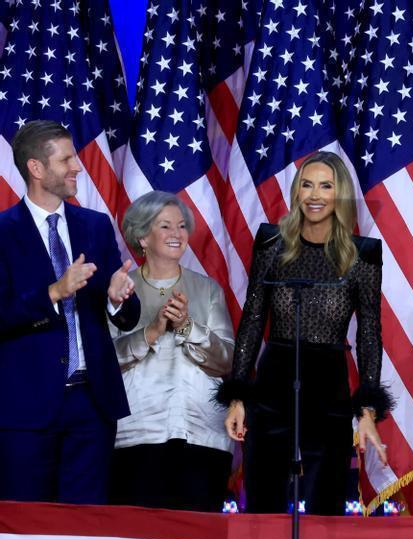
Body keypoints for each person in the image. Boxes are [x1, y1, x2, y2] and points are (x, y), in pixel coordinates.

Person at [216, 151, 391, 516]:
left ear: (339, 194)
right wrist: (237, 397)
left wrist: (368, 410)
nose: (315, 194)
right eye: (307, 185)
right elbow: (252, 318)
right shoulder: (270, 242)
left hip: (329, 384)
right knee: (263, 498)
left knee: (327, 500)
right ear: (296, 192)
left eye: (326, 186)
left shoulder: (364, 255)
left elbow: (370, 334)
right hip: (274, 377)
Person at [0, 120, 139, 504]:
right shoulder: (3, 232)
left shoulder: (94, 226)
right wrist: (54, 292)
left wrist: (118, 297)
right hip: (24, 409)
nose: (78, 166)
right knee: (25, 525)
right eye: (67, 159)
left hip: (92, 406)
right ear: (36, 168)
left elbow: (126, 314)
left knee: (86, 525)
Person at [109, 191, 235, 512]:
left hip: (202, 437)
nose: (177, 234)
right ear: (142, 236)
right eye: (165, 226)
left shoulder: (207, 290)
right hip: (138, 435)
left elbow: (227, 361)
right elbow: (105, 361)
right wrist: (151, 332)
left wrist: (187, 326)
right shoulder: (120, 290)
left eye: (181, 226)